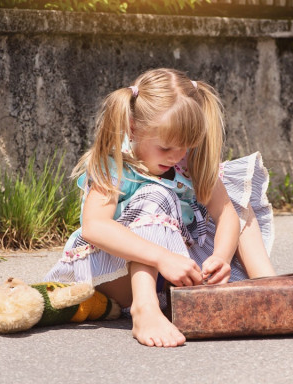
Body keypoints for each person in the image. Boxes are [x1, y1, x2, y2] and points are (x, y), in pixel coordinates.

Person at [45, 68, 275, 347]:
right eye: (166, 148)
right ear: (133, 127)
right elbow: (94, 226)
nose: (177, 156)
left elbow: (226, 212)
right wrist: (162, 258)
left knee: (240, 202)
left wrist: (222, 258)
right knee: (155, 194)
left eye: (186, 147)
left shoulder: (187, 162)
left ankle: (268, 286)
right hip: (116, 273)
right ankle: (146, 309)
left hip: (176, 273)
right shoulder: (116, 164)